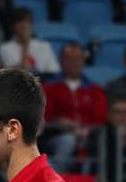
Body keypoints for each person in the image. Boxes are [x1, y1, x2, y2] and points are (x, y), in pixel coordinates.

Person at [41, 42, 107, 173]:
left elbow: (101, 118)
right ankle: (53, 179)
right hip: (57, 136)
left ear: (83, 61)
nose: (73, 63)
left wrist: (85, 130)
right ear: (61, 61)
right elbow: (43, 118)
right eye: (69, 59)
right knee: (68, 141)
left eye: (77, 59)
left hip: (89, 138)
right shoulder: (49, 88)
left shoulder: (95, 90)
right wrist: (58, 123)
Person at [0, 8, 58, 77]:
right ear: (12, 27)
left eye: (28, 21)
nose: (24, 25)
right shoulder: (5, 48)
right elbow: (18, 73)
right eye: (20, 22)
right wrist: (25, 45)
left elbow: (53, 71)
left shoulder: (44, 46)